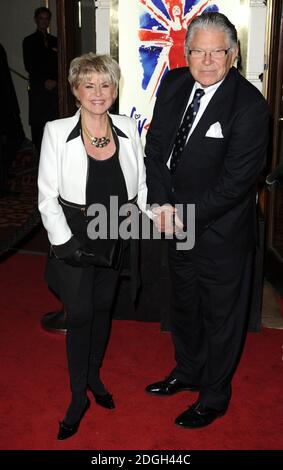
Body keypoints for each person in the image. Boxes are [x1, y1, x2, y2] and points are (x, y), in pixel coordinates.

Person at [145, 12, 269, 428]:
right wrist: (160, 204)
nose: (208, 61)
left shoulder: (250, 106)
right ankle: (188, 370)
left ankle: (215, 395)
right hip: (175, 225)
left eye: (218, 52)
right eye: (199, 51)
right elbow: (157, 147)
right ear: (186, 52)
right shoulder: (174, 83)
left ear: (233, 56)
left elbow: (236, 184)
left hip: (221, 234)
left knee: (221, 317)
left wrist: (182, 216)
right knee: (185, 306)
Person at [38, 53, 147, 440]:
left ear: (115, 90)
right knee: (81, 313)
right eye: (89, 85)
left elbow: (142, 185)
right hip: (75, 234)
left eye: (105, 85)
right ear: (75, 90)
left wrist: (150, 219)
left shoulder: (129, 128)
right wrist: (64, 244)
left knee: (103, 307)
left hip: (115, 230)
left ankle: (95, 378)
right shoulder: (56, 131)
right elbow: (46, 197)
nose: (98, 93)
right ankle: (76, 396)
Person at [23, 6, 58, 154]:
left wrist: (55, 80)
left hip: (55, 88)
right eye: (41, 18)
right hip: (38, 88)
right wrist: (44, 81)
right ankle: (38, 155)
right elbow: (29, 65)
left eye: (47, 19)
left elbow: (60, 64)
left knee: (54, 121)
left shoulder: (56, 40)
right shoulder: (29, 41)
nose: (44, 21)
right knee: (37, 124)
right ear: (36, 20)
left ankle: (54, 154)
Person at [0, 43, 25, 197]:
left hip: (6, 104)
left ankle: (3, 174)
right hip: (4, 105)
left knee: (17, 138)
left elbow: (5, 80)